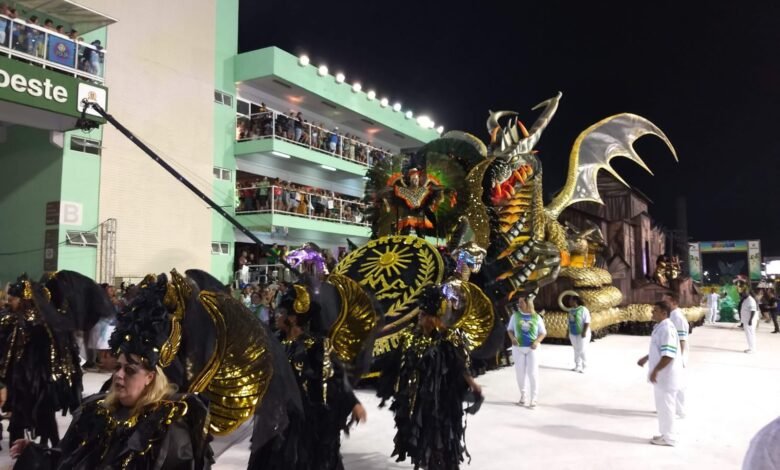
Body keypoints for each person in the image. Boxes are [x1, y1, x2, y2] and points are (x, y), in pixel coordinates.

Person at [10, 284, 213, 469]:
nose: (119, 375)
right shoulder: (97, 413)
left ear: (151, 377)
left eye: (130, 370)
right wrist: (35, 453)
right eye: (118, 367)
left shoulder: (166, 429)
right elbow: (70, 459)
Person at [249, 286, 365, 469]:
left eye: (281, 312)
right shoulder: (275, 341)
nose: (277, 315)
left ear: (293, 318)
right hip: (276, 418)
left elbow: (334, 378)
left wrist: (353, 402)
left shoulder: (316, 346)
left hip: (305, 421)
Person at [376, 286, 482, 470]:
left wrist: (472, 384)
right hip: (418, 403)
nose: (419, 317)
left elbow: (459, 367)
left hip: (441, 405)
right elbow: (395, 361)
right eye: (420, 313)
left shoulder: (449, 340)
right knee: (421, 442)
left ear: (434, 319)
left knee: (439, 443)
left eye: (423, 314)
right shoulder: (410, 337)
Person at [637, 301, 683, 446]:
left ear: (664, 312)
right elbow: (659, 349)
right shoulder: (660, 327)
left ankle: (670, 437)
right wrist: (646, 358)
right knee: (663, 407)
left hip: (666, 376)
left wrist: (656, 370)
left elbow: (668, 354)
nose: (652, 313)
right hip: (663, 377)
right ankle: (665, 434)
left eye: (655, 310)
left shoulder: (667, 329)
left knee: (667, 407)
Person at [507, 296, 546, 407]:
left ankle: (534, 398)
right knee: (520, 373)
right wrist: (513, 338)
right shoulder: (515, 316)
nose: (518, 304)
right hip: (518, 349)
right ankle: (523, 396)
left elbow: (543, 333)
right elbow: (509, 330)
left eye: (521, 302)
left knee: (532, 373)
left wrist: (537, 341)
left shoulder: (536, 317)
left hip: (532, 349)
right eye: (519, 302)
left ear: (528, 303)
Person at [663, 292, 688, 418]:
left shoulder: (677, 317)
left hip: (677, 355)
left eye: (666, 301)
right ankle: (671, 408)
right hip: (673, 354)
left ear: (674, 302)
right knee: (672, 382)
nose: (663, 303)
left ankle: (680, 410)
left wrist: (680, 357)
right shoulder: (671, 315)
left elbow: (682, 338)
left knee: (678, 383)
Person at [566, 294, 591, 373]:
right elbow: (569, 322)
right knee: (576, 349)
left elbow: (587, 322)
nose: (569, 302)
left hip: (582, 333)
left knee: (582, 349)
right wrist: (567, 332)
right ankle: (577, 365)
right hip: (573, 333)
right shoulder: (570, 311)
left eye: (570, 300)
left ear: (575, 301)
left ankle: (585, 365)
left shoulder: (583, 309)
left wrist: (584, 332)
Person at [740, 288, 759, 353]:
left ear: (747, 293)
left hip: (749, 320)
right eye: (742, 293)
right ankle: (750, 347)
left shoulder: (750, 300)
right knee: (749, 334)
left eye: (744, 293)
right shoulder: (746, 299)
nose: (742, 294)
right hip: (746, 320)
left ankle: (752, 349)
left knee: (750, 334)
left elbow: (753, 310)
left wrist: (750, 320)